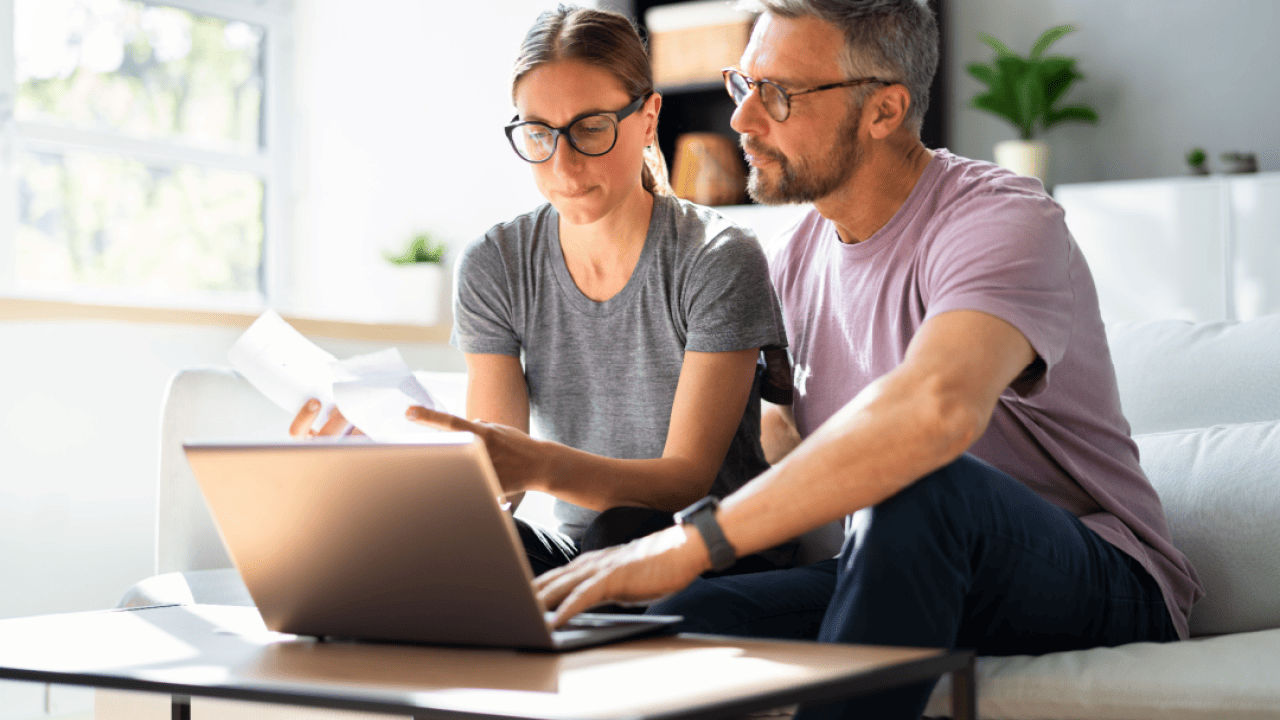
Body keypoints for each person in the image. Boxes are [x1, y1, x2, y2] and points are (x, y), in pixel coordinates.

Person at [534, 1, 1203, 718]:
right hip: (896, 565)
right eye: (743, 85)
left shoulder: (1001, 218)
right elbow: (780, 444)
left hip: (1096, 574)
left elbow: (934, 411)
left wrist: (699, 540)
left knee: (922, 485)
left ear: (884, 110)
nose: (743, 121)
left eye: (779, 95)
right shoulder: (789, 259)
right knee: (667, 614)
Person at [293, 6, 793, 577]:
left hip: (710, 548)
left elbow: (685, 480)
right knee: (428, 540)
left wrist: (536, 465)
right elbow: (498, 487)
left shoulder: (716, 257)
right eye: (538, 133)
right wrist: (395, 470)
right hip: (581, 551)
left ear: (648, 117)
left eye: (590, 129)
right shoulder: (495, 264)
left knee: (619, 530)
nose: (563, 163)